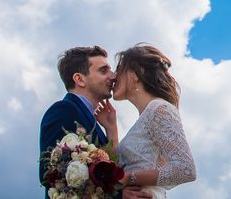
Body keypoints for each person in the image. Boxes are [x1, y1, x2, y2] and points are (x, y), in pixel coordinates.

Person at [95, 44, 197, 198]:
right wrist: (111, 128)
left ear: (137, 73)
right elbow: (120, 171)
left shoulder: (160, 109)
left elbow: (185, 170)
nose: (114, 76)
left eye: (120, 69)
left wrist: (131, 177)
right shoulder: (147, 116)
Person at [38, 46, 116, 192]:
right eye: (104, 71)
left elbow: (110, 172)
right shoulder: (63, 110)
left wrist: (111, 128)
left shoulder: (95, 122)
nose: (113, 76)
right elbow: (49, 174)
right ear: (79, 79)